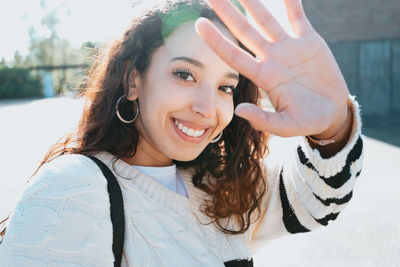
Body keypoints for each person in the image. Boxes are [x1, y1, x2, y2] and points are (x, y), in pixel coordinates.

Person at [0, 0, 363, 266]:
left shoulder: (219, 186)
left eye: (225, 87)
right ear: (132, 80)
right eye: (184, 75)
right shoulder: (70, 192)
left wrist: (332, 126)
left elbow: (317, 202)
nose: (207, 108)